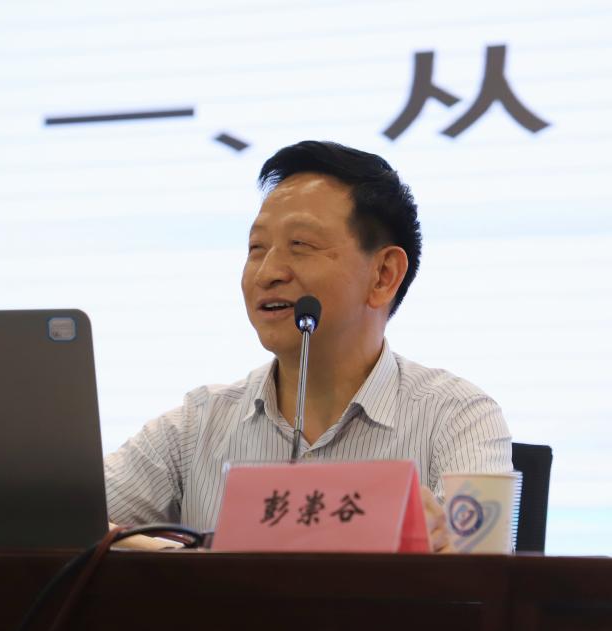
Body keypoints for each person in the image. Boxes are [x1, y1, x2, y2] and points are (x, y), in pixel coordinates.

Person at [105, 140, 511, 552]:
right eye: (256, 248)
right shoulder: (197, 426)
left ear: (384, 275)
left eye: (301, 245)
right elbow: (72, 519)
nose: (266, 273)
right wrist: (178, 558)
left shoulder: (456, 418)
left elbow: (478, 576)